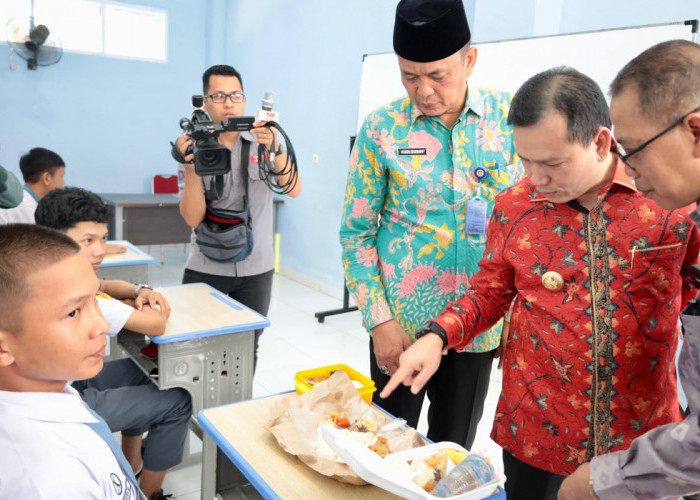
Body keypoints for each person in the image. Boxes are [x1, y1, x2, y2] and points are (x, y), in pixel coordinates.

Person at [380, 67, 700, 500]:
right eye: (525, 160)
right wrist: (438, 337)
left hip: (639, 441)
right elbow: (489, 291)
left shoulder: (670, 204)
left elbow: (691, 302)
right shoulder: (514, 206)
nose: (537, 178)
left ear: (601, 142)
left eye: (552, 163)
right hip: (537, 433)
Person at [339, 0, 521, 448]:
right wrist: (378, 320)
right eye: (409, 75)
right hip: (400, 328)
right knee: (385, 445)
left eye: (438, 75)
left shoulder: (513, 120)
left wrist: (519, 312)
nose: (423, 90)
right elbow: (355, 233)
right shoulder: (382, 128)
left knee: (451, 451)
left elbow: (530, 225)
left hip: (478, 329)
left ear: (469, 60)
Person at [559, 39, 700, 500]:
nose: (630, 169)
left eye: (634, 149)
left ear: (695, 132)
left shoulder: (671, 219)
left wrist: (605, 478)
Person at [35, 187, 191, 500]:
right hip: (61, 405)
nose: (100, 250)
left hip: (65, 381)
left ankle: (132, 463)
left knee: (141, 369)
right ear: (54, 239)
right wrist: (145, 300)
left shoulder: (49, 268)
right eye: (88, 240)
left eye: (103, 238)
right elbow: (155, 323)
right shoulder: (70, 289)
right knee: (179, 400)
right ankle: (147, 495)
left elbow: (106, 285)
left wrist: (139, 290)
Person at [0, 223, 142, 499]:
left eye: (96, 301)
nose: (101, 325)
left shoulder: (47, 386)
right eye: (74, 312)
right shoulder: (53, 481)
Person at [176, 64, 302, 370]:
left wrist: (277, 149)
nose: (229, 102)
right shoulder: (195, 145)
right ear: (204, 102)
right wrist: (191, 167)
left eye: (235, 95)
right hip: (206, 266)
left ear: (245, 100)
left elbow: (294, 189)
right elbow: (193, 218)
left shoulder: (263, 139)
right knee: (194, 347)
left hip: (256, 269)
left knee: (247, 348)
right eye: (218, 95)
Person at [0, 147, 65, 224]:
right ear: (46, 178)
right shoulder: (27, 208)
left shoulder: (21, 200)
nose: (63, 183)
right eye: (61, 177)